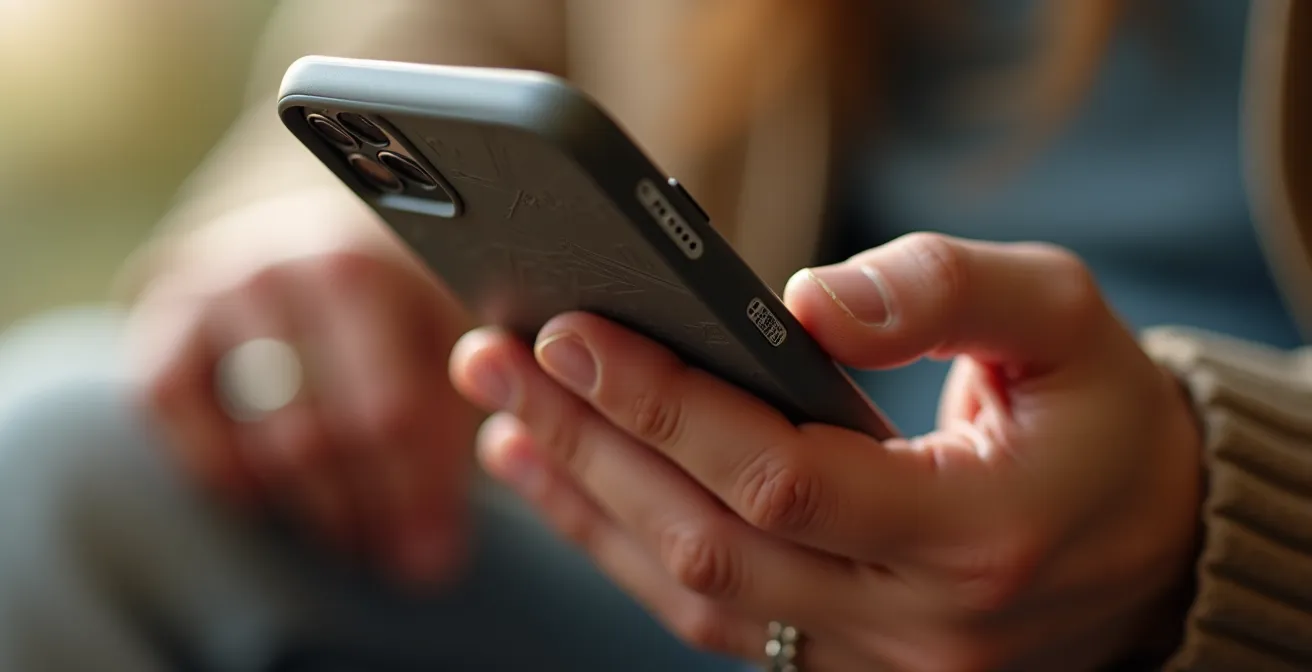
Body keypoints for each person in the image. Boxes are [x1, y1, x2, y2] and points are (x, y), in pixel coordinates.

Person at [1, 0, 1309, 669]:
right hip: (692, 594)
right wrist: (312, 225)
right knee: (52, 475)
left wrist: (1224, 522)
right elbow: (456, 30)